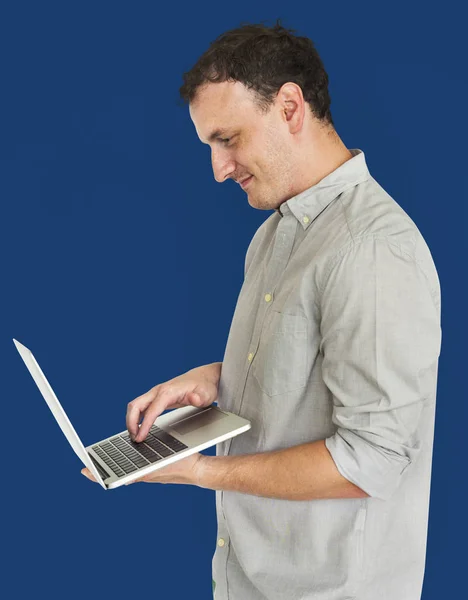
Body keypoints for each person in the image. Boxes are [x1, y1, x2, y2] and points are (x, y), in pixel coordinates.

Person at [82, 19, 442, 600]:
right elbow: (316, 371)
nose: (219, 169)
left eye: (229, 139)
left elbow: (372, 460)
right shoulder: (276, 233)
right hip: (249, 581)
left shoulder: (372, 250)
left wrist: (199, 472)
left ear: (291, 107)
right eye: (210, 146)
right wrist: (216, 379)